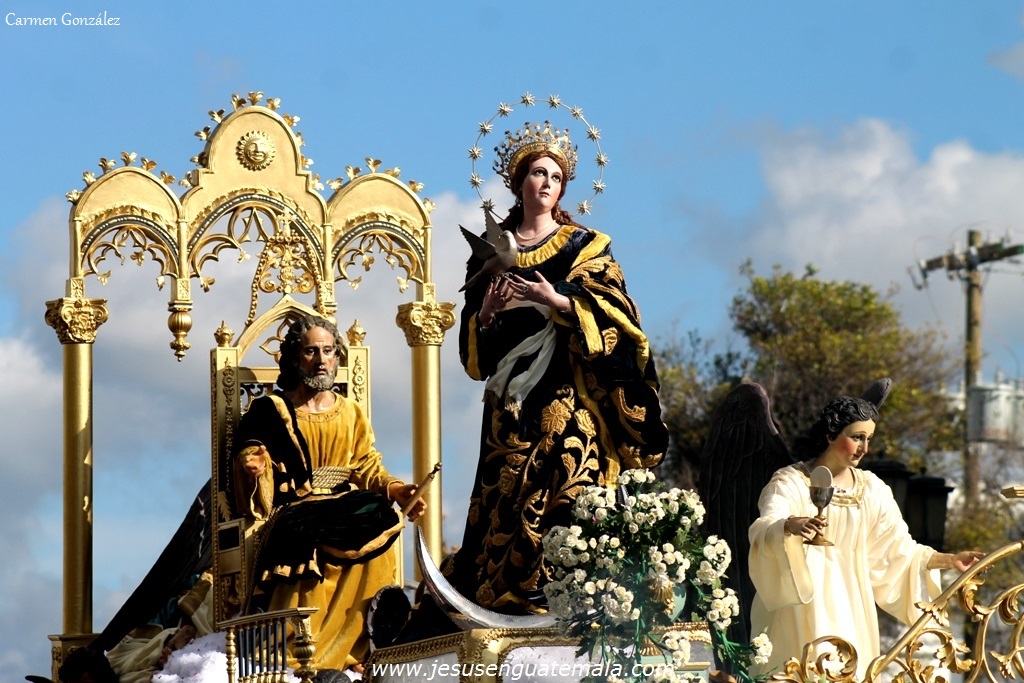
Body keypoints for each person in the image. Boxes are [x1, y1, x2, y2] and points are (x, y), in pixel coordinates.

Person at [448, 122, 669, 612]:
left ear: (564, 188)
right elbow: (474, 354)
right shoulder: (491, 251)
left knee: (571, 486)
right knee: (508, 491)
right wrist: (485, 316)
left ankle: (581, 596)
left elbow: (619, 314)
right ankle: (506, 600)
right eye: (537, 173)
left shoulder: (584, 245)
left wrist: (558, 301)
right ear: (519, 183)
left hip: (569, 392)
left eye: (555, 176)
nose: (546, 182)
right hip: (511, 402)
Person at [233, 314, 426, 672]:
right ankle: (301, 648)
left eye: (328, 351)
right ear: (295, 358)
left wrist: (397, 490)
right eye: (311, 351)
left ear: (337, 357)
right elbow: (250, 447)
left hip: (344, 501)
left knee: (382, 516)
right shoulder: (271, 409)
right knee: (308, 531)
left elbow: (366, 464)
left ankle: (359, 648)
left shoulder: (349, 411)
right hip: (295, 504)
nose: (321, 360)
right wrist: (255, 463)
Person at [748, 395, 982, 678]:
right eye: (857, 437)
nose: (865, 448)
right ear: (831, 434)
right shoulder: (792, 482)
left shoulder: (872, 490)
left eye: (869, 439)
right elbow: (766, 524)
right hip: (801, 600)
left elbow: (899, 549)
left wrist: (949, 560)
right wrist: (789, 525)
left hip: (852, 604)